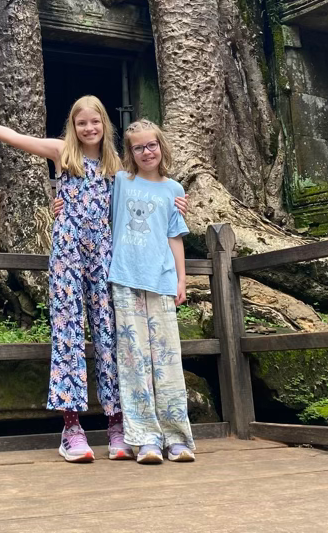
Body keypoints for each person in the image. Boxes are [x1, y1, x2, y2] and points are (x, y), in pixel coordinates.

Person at [0, 94, 129, 463]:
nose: (89, 128)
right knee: (68, 330)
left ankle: (116, 422)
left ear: (105, 125)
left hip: (103, 256)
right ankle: (72, 427)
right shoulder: (63, 152)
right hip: (68, 251)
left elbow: (141, 196)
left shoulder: (116, 166)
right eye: (82, 123)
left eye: (95, 122)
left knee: (108, 332)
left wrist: (175, 201)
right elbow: (16, 137)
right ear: (73, 127)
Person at [109, 118, 196, 465]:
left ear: (161, 146)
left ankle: (176, 437)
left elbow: (174, 236)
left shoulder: (174, 190)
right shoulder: (120, 182)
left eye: (151, 145)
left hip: (160, 278)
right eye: (138, 147)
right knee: (133, 361)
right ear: (129, 152)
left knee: (167, 359)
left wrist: (182, 279)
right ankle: (144, 437)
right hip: (126, 277)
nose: (147, 152)